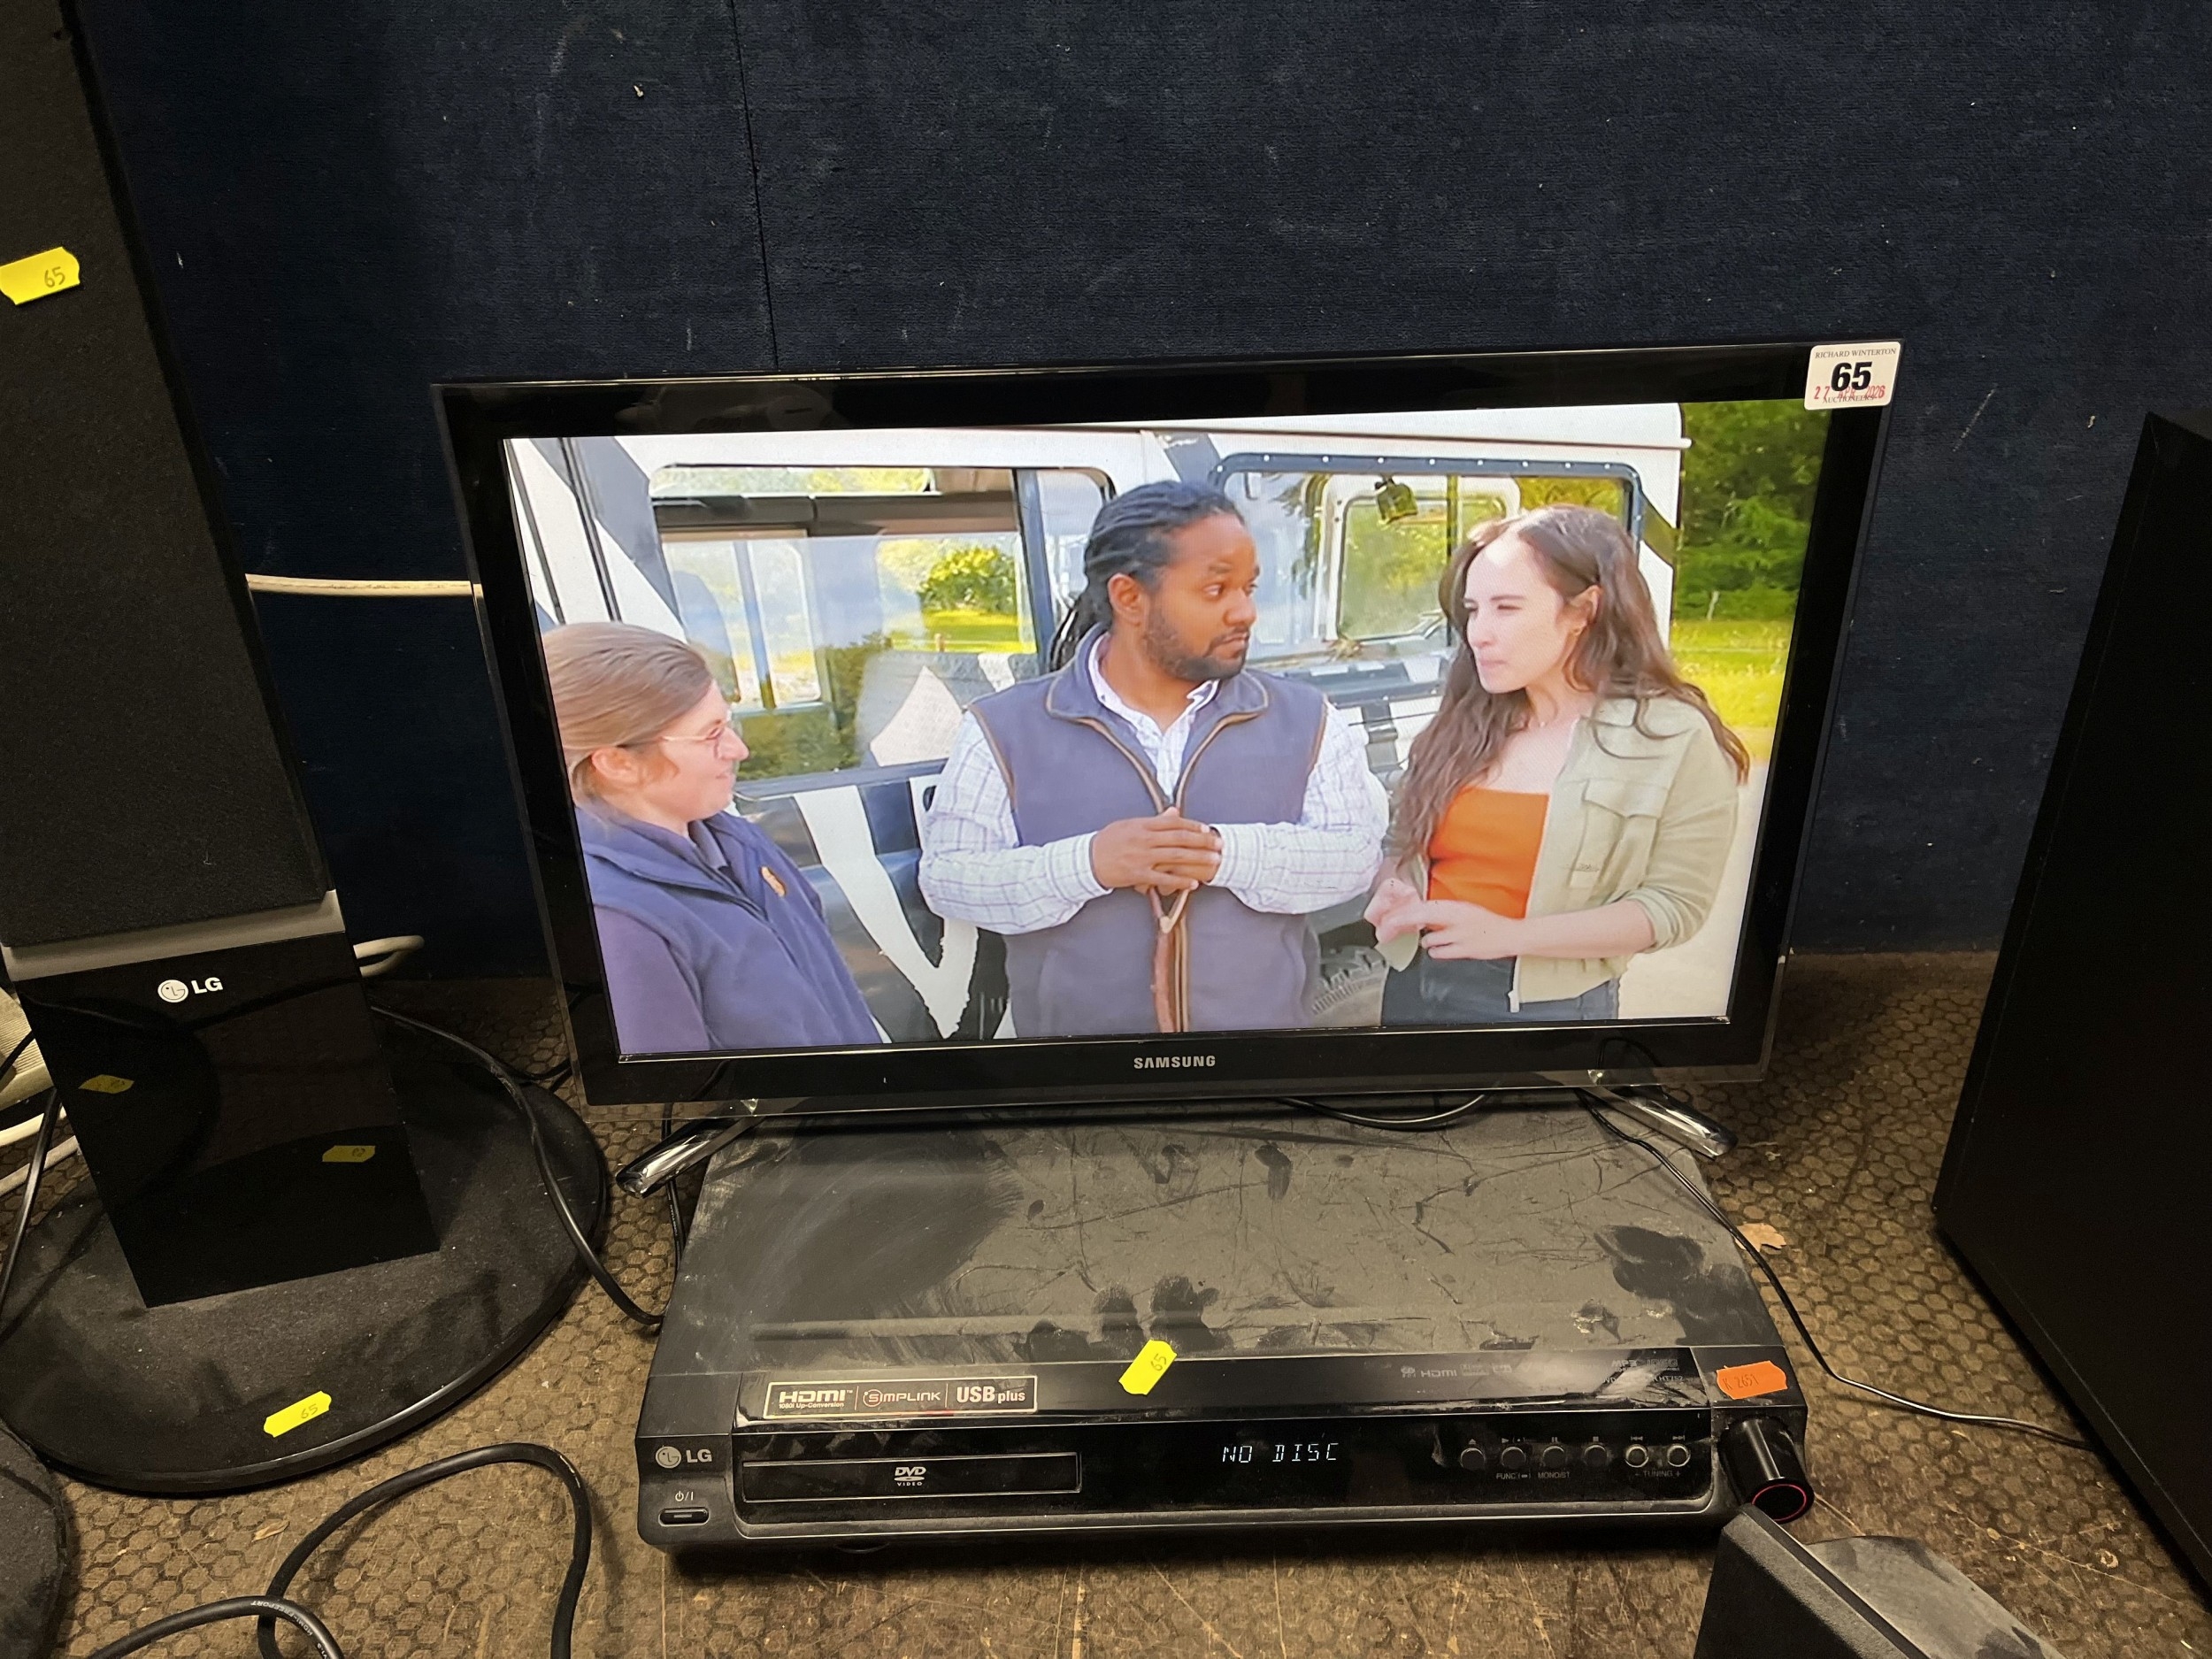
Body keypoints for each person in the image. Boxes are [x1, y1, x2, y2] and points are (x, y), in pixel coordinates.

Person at [918, 480, 1387, 1037]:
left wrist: (1222, 854)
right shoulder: (1002, 727)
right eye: (1216, 590)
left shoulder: (1307, 718)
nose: (1245, 612)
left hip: (1258, 1065)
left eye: (1249, 588)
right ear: (1129, 598)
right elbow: (948, 878)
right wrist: (1089, 864)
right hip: (1083, 1070)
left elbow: (1356, 856)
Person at [1364, 504, 1748, 1025]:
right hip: (1412, 985)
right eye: (1473, 610)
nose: (1478, 633)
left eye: (1506, 608)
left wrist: (1509, 936)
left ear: (1582, 612)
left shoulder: (1672, 737)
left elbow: (1672, 906)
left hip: (1544, 1010)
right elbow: (1401, 842)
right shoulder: (1466, 718)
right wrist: (1396, 888)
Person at [541, 621, 880, 1053]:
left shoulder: (738, 841)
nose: (739, 750)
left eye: (728, 723)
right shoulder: (615, 922)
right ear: (618, 764)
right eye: (710, 734)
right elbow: (672, 1092)